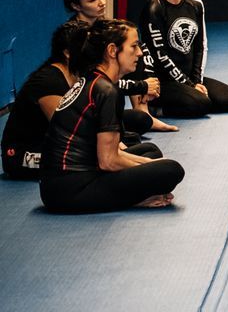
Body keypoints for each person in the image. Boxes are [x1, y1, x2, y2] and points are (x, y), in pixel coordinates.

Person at [39, 18, 186, 213]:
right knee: (171, 170)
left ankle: (132, 193)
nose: (140, 53)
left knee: (150, 150)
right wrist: (153, 166)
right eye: (133, 46)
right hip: (71, 190)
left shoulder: (93, 79)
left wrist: (149, 163)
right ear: (112, 51)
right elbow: (108, 161)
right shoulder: (107, 91)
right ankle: (134, 200)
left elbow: (108, 154)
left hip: (57, 185)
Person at [6, 22, 160, 180]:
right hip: (22, 155)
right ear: (68, 53)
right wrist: (116, 152)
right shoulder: (49, 81)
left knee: (143, 139)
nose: (93, 50)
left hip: (60, 144)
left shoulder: (81, 73)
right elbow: (67, 133)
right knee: (128, 154)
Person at [58, 0, 170, 135]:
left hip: (104, 93)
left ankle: (143, 109)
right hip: (85, 104)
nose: (101, 2)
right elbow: (93, 83)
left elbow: (142, 50)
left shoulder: (104, 26)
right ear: (76, 6)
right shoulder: (75, 36)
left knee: (141, 119)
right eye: (92, 0)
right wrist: (142, 86)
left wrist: (148, 80)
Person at [140, 0, 228, 116]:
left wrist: (197, 81)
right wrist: (189, 86)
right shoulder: (154, 8)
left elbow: (200, 46)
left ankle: (192, 98)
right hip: (164, 81)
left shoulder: (195, 4)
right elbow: (161, 56)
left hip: (188, 77)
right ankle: (158, 108)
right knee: (201, 104)